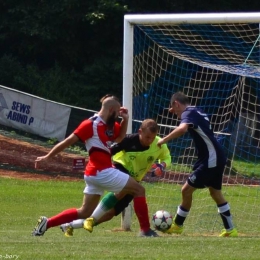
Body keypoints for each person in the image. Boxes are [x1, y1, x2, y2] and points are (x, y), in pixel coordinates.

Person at [32, 94, 146, 236]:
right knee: (139, 189)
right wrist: (48, 156)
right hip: (102, 171)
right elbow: (67, 141)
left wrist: (125, 120)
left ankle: (46, 223)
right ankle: (146, 231)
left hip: (94, 173)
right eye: (117, 113)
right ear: (111, 110)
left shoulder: (109, 126)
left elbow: (120, 138)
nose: (117, 116)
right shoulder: (90, 124)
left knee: (85, 212)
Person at [60, 119, 171, 237]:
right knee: (127, 191)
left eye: (152, 138)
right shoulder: (128, 140)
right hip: (119, 167)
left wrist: (162, 165)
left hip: (135, 180)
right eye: (147, 137)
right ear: (140, 132)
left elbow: (167, 158)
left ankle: (71, 225)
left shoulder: (159, 144)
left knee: (109, 214)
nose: (150, 141)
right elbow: (108, 152)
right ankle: (145, 230)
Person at [157, 91, 238, 237]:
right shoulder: (196, 110)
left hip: (211, 158)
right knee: (215, 193)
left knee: (186, 190)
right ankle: (230, 229)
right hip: (215, 156)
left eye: (174, 108)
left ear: (176, 103)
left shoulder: (188, 113)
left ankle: (178, 225)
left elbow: (182, 129)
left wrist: (163, 140)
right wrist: (176, 110)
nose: (174, 113)